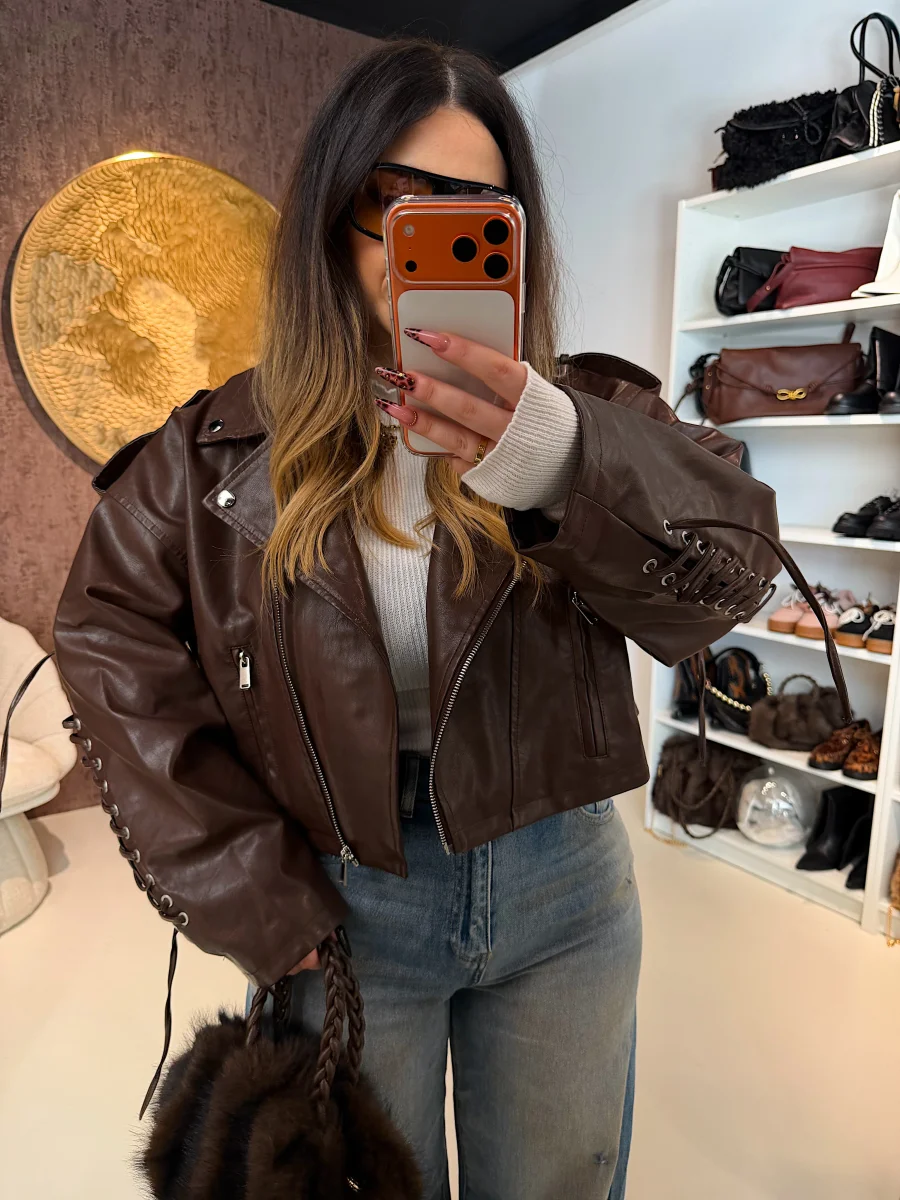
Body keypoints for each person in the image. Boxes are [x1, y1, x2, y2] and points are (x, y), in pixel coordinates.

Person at [53, 37, 782, 1200]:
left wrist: (558, 460)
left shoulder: (594, 414)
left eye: (471, 209)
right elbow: (106, 637)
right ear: (328, 219)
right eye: (392, 199)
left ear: (515, 236)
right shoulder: (212, 452)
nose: (422, 239)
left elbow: (737, 577)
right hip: (341, 893)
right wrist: (243, 876)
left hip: (564, 881)